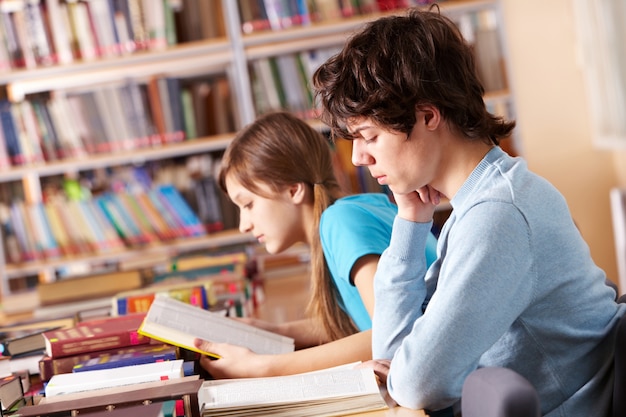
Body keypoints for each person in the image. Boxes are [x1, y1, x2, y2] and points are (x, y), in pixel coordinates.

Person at [311, 6, 626, 416]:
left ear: (427, 116)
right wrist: (409, 223)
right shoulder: (479, 201)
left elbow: (415, 385)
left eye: (367, 136)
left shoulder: (499, 215)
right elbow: (392, 356)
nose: (357, 158)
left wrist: (404, 375)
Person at [193, 111, 438, 378]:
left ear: (293, 190)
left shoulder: (340, 222)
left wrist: (263, 368)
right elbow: (363, 318)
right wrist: (276, 331)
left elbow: (389, 335)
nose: (244, 225)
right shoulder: (350, 213)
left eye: (249, 204)